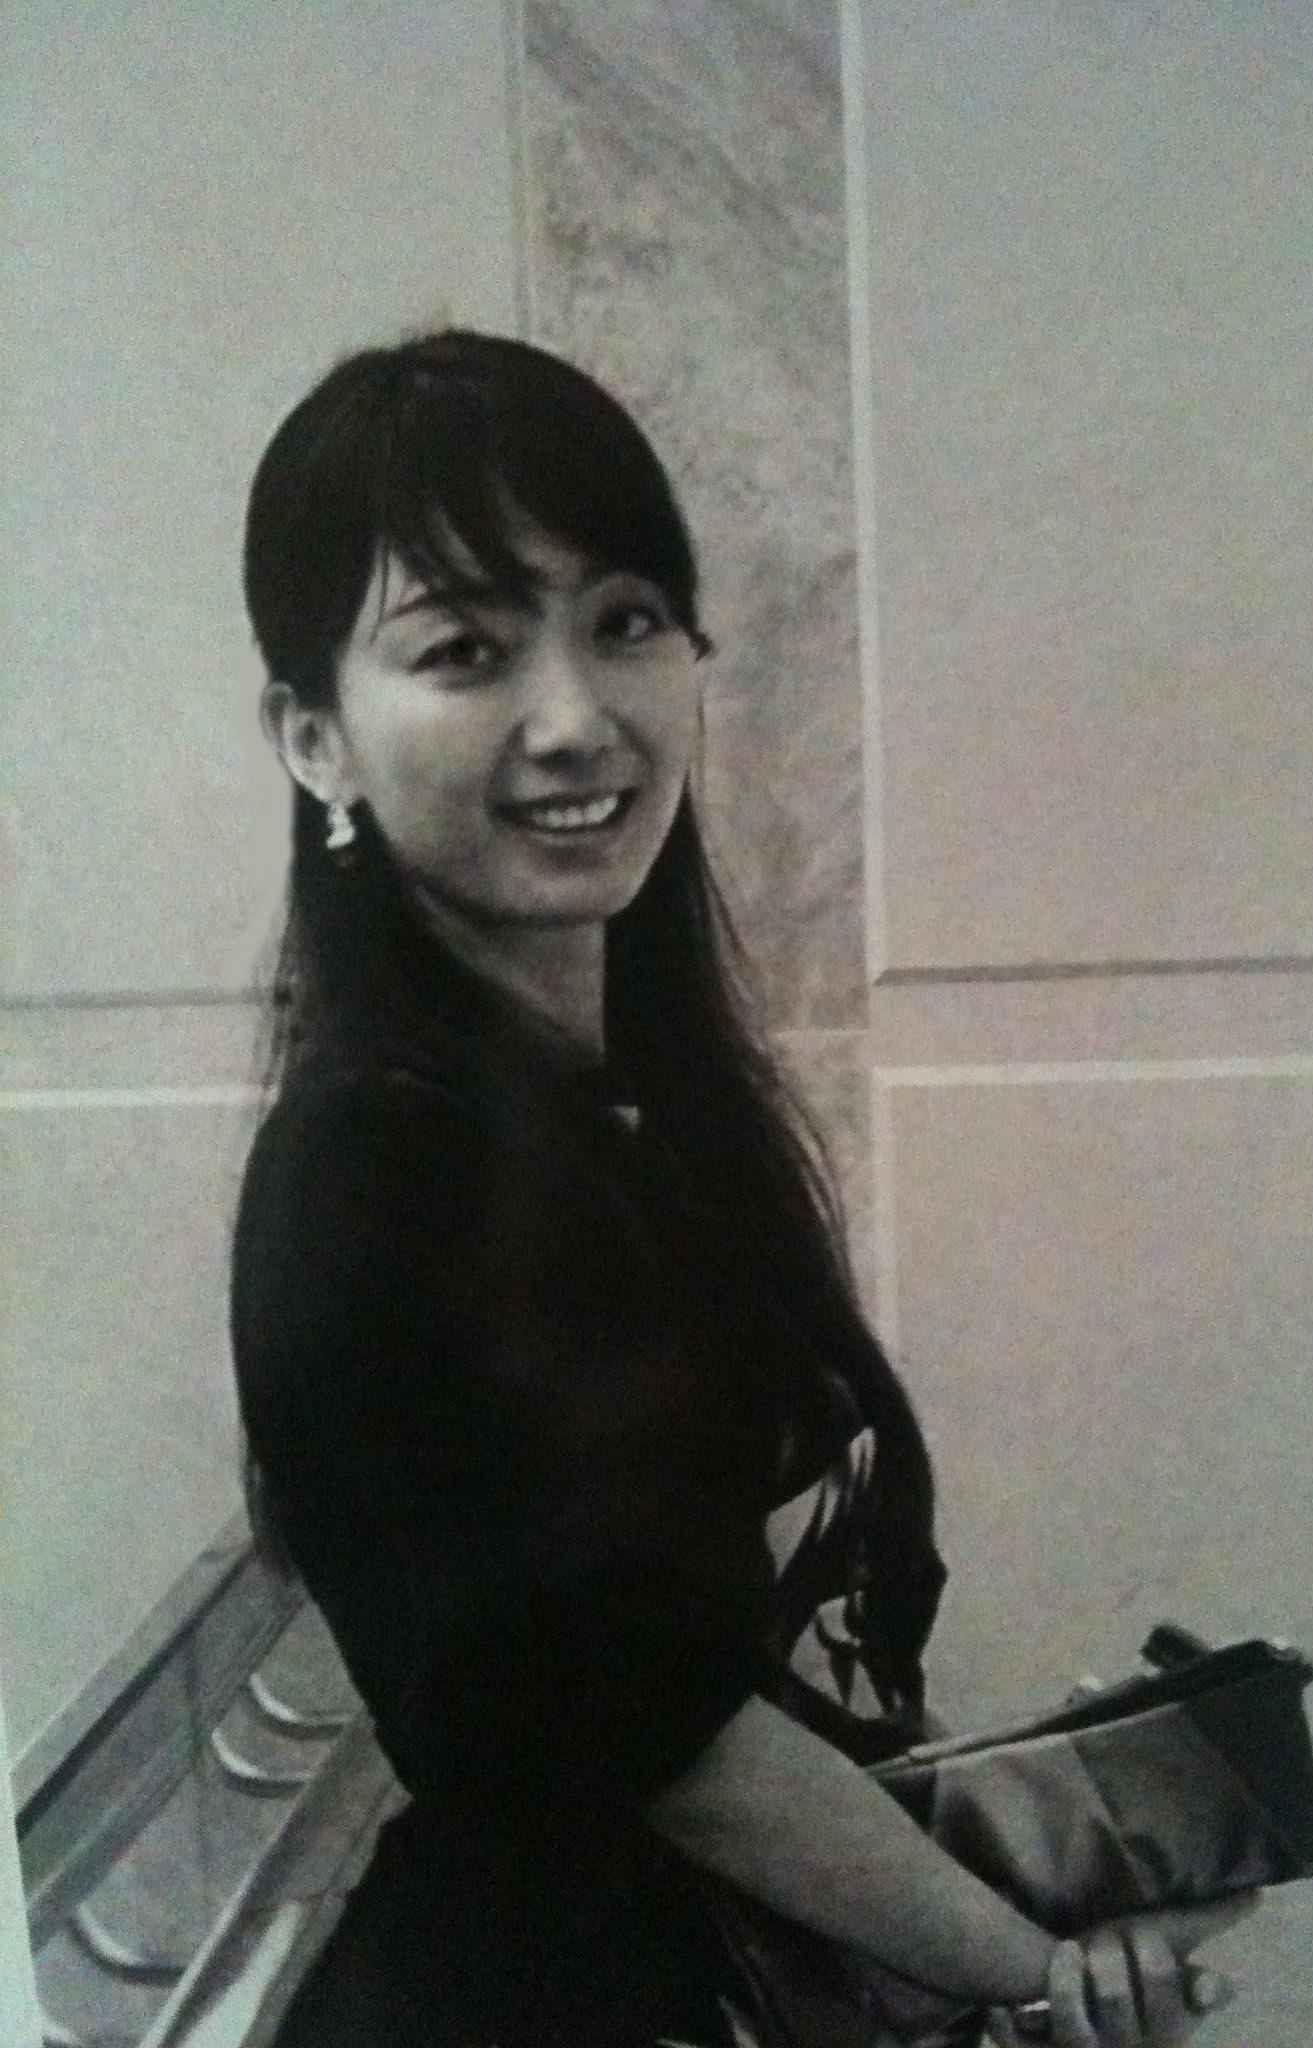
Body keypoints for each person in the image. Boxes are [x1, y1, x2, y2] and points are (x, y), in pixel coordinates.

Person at [230, 329, 1248, 2048]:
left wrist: (1052, 1842)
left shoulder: (606, 1110)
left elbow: (710, 1664)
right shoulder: (377, 1169)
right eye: (465, 649)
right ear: (315, 737)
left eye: (627, 620)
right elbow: (663, 1739)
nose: (577, 720)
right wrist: (1030, 1968)